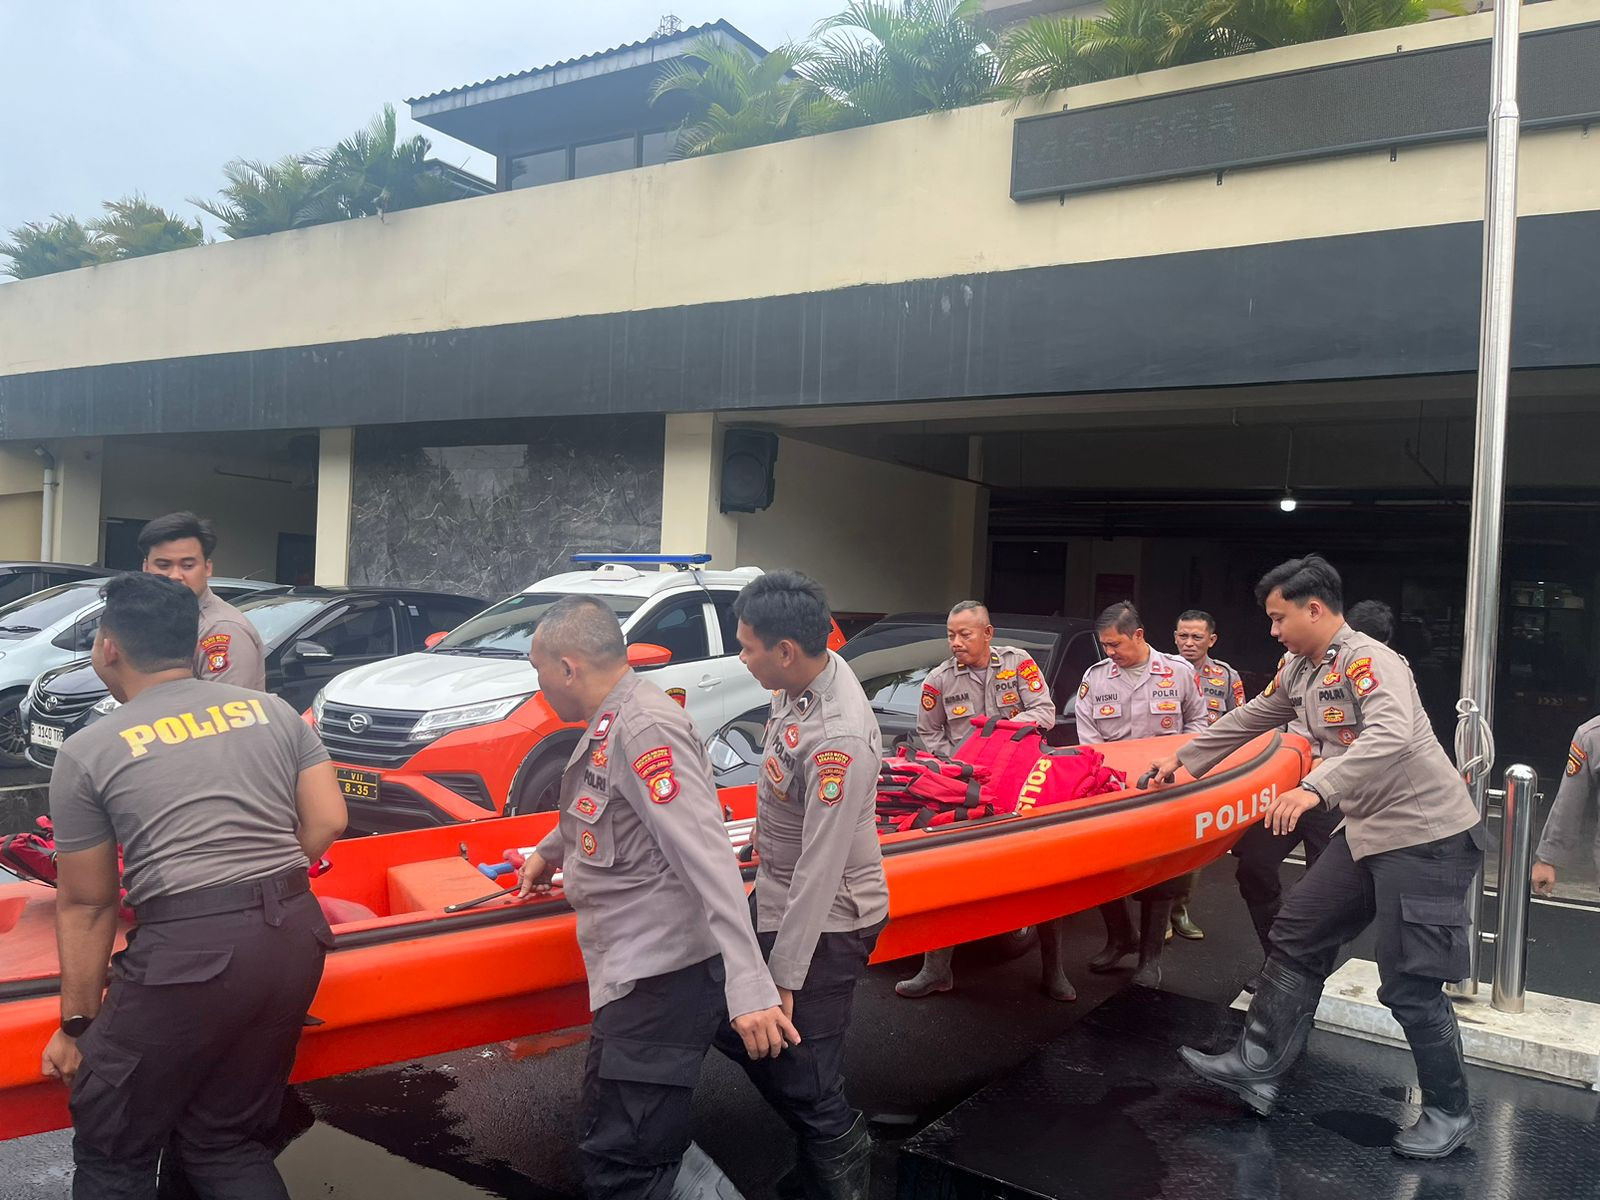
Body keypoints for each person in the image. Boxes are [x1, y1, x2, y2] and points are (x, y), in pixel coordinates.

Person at [1148, 554, 1484, 1160]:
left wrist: (1314, 789)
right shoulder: (1300, 669)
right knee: (1298, 933)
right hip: (1367, 829)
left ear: (1314, 608)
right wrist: (1187, 758)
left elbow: (1391, 734)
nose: (1273, 630)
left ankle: (1448, 1111)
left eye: (1279, 618)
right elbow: (1256, 714)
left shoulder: (1370, 661)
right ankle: (1257, 1067)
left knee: (1409, 983)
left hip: (1426, 836)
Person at [39, 573, 348, 1198]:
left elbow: (89, 902)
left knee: (114, 1149)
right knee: (226, 1141)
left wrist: (77, 1025)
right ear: (192, 644)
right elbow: (329, 820)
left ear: (108, 648)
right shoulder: (274, 711)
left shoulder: (89, 750)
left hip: (189, 953)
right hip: (293, 934)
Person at [515, 595, 796, 1199]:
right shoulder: (617, 718)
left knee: (623, 1160)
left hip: (661, 976)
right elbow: (603, 803)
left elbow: (709, 860)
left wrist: (748, 986)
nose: (537, 686)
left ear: (567, 667)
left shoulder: (646, 729)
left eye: (538, 671)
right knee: (627, 1142)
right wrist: (551, 849)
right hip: (635, 970)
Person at [716, 570, 889, 1200]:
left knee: (806, 1069)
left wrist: (785, 975)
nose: (741, 658)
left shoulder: (838, 734)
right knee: (736, 1021)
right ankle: (824, 1144)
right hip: (779, 891)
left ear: (784, 650)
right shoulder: (799, 683)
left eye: (746, 646)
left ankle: (840, 1162)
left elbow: (823, 866)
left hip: (830, 917)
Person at [899, 601, 1073, 1003]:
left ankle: (1055, 970)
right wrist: (961, 767)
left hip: (1022, 782)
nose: (956, 642)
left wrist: (1001, 739)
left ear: (988, 634)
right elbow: (930, 734)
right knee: (948, 873)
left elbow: (1043, 712)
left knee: (1041, 873)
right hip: (965, 792)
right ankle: (936, 970)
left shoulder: (1018, 663)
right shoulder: (938, 680)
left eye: (965, 634)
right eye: (950, 635)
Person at [1076, 602, 1207, 987]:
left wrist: (1180, 764)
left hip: (1164, 792)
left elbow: (1199, 724)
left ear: (1138, 635)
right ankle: (1120, 938)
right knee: (1103, 869)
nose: (1110, 653)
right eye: (1105, 646)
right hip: (1114, 792)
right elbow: (1088, 739)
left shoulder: (1178, 673)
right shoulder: (1096, 678)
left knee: (1160, 875)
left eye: (1115, 644)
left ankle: (1150, 959)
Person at [1170, 609, 1248, 942]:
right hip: (1168, 768)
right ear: (1174, 637)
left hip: (1207, 773)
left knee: (1194, 846)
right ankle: (1156, 915)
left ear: (1211, 640)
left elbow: (1244, 722)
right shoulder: (1163, 672)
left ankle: (1180, 909)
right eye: (1182, 636)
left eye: (1196, 637)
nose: (1188, 643)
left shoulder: (1227, 677)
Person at [140, 511, 267, 691]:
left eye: (188, 566)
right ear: (146, 567)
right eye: (163, 565)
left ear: (207, 568)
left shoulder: (221, 629)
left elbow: (225, 711)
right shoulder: (154, 618)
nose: (175, 576)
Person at [1531, 716, 1600, 899]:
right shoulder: (1592, 735)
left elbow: (1570, 801)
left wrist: (1548, 859)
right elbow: (1570, 802)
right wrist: (1548, 859)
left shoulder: (1591, 734)